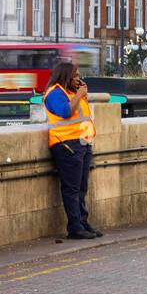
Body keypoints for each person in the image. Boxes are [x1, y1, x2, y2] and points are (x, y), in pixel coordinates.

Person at [44, 61, 101, 240]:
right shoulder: (55, 93)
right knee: (72, 188)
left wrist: (81, 95)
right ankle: (74, 227)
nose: (78, 79)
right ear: (66, 76)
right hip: (66, 145)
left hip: (82, 144)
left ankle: (83, 222)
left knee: (82, 187)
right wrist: (79, 94)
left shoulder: (71, 92)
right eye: (75, 76)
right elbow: (66, 112)